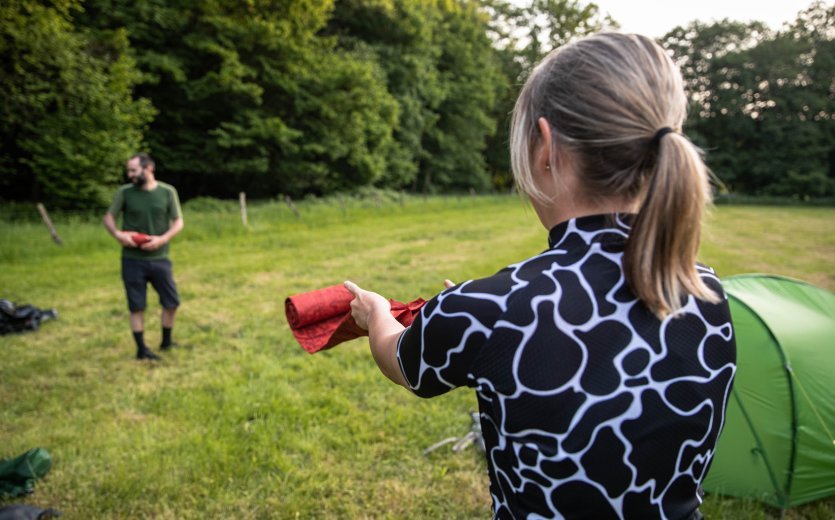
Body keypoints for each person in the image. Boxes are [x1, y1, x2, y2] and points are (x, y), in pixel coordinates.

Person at [344, 32, 736, 519]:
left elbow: (401, 360)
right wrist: (477, 314)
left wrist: (378, 313)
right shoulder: (711, 293)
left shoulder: (492, 308)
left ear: (546, 147)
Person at [103, 153, 184, 361]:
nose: (130, 175)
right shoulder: (125, 193)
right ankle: (141, 349)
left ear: (148, 168)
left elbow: (178, 222)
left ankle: (166, 342)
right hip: (132, 259)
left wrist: (162, 239)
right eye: (128, 170)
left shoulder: (167, 192)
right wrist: (118, 234)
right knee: (137, 305)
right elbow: (109, 217)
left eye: (133, 170)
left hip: (160, 258)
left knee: (171, 302)